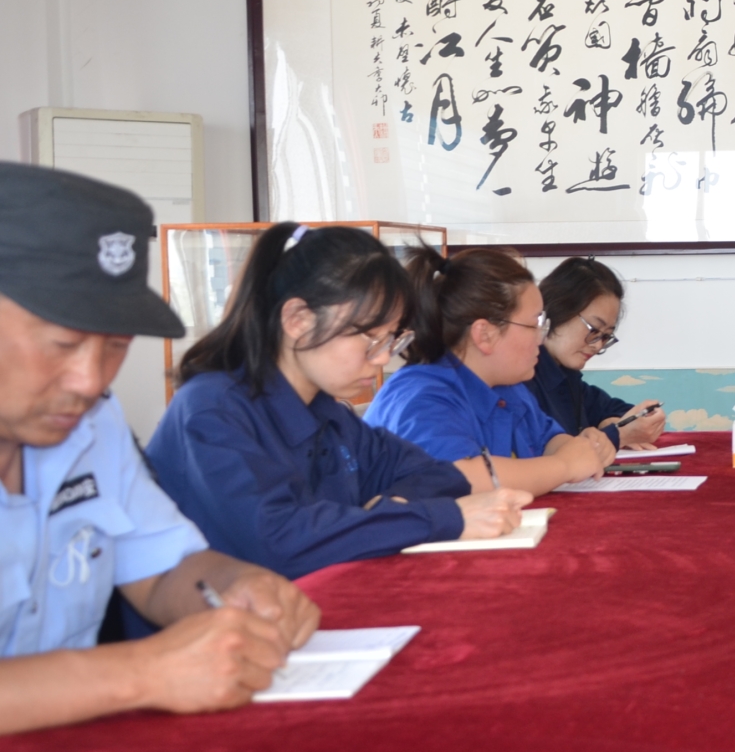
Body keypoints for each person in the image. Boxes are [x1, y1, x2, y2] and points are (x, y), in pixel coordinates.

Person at [0, 163, 319, 735]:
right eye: (63, 344)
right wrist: (141, 673)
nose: (91, 380)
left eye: (116, 347)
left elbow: (162, 568)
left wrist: (236, 587)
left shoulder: (94, 424)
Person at [146, 224, 532, 579]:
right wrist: (434, 518)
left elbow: (440, 476)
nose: (383, 358)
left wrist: (387, 510)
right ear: (298, 320)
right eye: (371, 338)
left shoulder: (326, 412)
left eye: (391, 339)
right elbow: (280, 541)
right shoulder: (213, 409)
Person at [365, 247, 614, 494]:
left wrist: (582, 448)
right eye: (533, 325)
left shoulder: (509, 388)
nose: (540, 339)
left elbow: (549, 440)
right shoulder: (422, 397)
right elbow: (463, 479)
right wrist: (564, 466)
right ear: (485, 334)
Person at [527, 257, 663, 450]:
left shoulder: (566, 376)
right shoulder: (521, 377)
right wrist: (617, 435)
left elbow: (614, 409)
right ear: (557, 310)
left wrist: (609, 422)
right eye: (593, 330)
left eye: (606, 336)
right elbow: (543, 452)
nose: (598, 345)